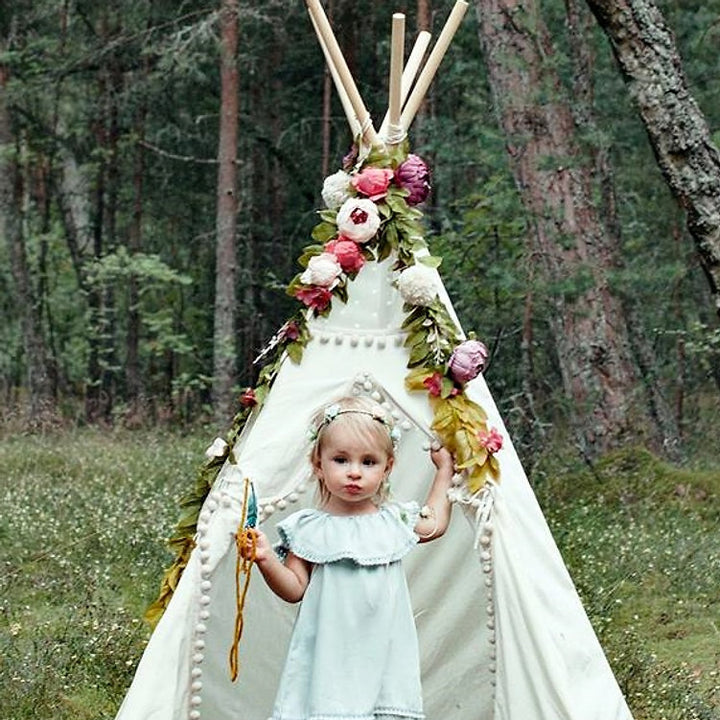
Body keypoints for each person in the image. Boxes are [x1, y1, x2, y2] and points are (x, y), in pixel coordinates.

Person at [241, 395, 455, 720]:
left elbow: (436, 523)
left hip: (381, 650)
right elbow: (295, 588)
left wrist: (444, 470)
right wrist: (266, 558)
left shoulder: (393, 521)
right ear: (318, 465)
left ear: (387, 468)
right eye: (341, 460)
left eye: (368, 462)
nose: (354, 472)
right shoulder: (309, 529)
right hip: (328, 655)